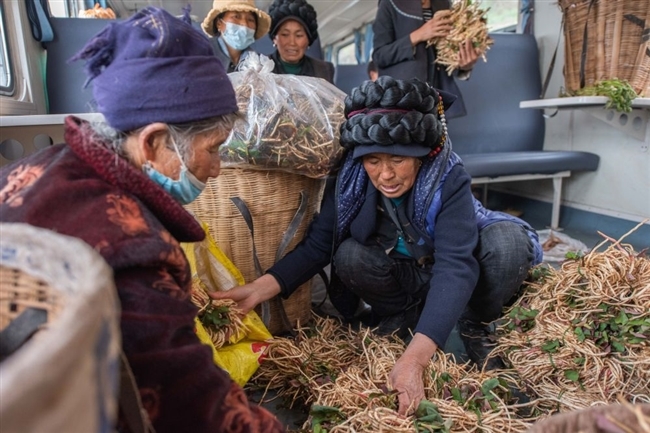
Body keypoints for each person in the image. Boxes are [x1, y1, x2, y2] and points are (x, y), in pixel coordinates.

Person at [0, 7, 283, 433]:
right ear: (153, 142)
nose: (218, 167)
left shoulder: (49, 164)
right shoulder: (132, 250)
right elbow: (194, 404)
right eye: (213, 148)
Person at [211, 76, 542, 415]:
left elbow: (456, 266)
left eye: (397, 159)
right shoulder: (350, 178)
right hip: (411, 271)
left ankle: (474, 323)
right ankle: (404, 314)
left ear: (420, 155)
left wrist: (415, 360)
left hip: (454, 267)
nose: (385, 175)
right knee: (349, 256)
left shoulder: (447, 176)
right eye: (374, 161)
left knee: (507, 246)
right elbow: (319, 246)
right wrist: (259, 288)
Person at [372, 0, 480, 118]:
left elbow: (442, 57)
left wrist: (463, 66)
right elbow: (379, 56)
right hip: (402, 101)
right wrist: (418, 35)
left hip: (433, 101)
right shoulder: (389, 4)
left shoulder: (444, 4)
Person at [267, 0, 335, 83]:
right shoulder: (260, 68)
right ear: (275, 38)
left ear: (308, 41)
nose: (292, 42)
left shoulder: (324, 70)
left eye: (299, 35)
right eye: (285, 34)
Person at [202, 0, 271, 73]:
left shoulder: (258, 63)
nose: (244, 24)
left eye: (250, 20)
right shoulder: (202, 55)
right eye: (236, 17)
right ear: (219, 23)